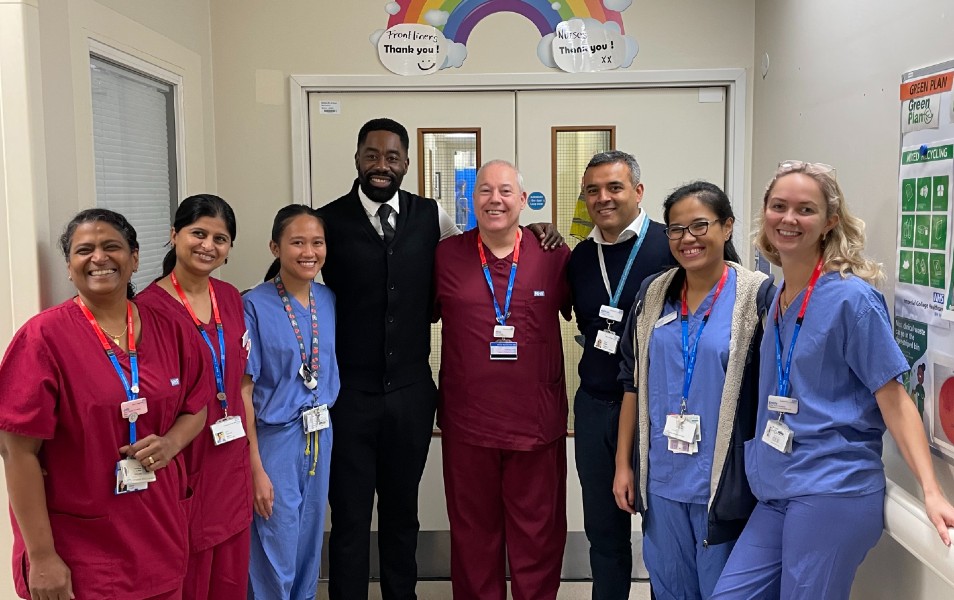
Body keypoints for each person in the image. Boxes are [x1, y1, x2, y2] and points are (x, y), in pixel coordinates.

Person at [319, 117, 562, 600]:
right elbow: (298, 281)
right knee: (348, 515)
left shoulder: (435, 220)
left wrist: (540, 231)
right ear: (357, 159)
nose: (382, 165)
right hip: (353, 393)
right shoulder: (328, 221)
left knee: (402, 514)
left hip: (417, 396)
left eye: (392, 157)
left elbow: (494, 246)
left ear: (407, 163)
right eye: (372, 155)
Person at [710, 161, 954, 599]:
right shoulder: (776, 294)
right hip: (777, 487)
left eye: (805, 209)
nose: (789, 219)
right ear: (765, 213)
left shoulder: (851, 299)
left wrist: (932, 490)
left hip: (830, 489)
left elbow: (894, 400)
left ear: (830, 222)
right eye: (779, 206)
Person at [0, 209, 209, 599]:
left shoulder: (169, 327)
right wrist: (42, 557)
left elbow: (197, 405)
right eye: (84, 250)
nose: (98, 258)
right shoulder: (43, 338)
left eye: (112, 246)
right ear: (68, 267)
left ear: (134, 258)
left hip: (158, 534)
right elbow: (17, 453)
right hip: (82, 550)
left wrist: (171, 443)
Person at [613, 182, 774, 600]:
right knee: (670, 588)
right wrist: (623, 465)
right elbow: (631, 382)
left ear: (727, 227)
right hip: (661, 480)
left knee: (723, 589)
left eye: (699, 225)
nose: (687, 238)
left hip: (723, 483)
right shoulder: (653, 294)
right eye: (675, 229)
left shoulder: (755, 296)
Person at [434, 160, 572, 600]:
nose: (495, 199)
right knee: (474, 536)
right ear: (472, 200)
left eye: (506, 191)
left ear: (522, 199)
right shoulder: (446, 255)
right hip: (468, 424)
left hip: (535, 425)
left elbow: (586, 305)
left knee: (538, 537)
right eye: (485, 191)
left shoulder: (552, 254)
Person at [567, 150, 672, 600]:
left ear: (638, 192)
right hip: (594, 407)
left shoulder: (673, 245)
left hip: (657, 410)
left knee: (664, 531)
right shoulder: (579, 258)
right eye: (593, 190)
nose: (603, 198)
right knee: (603, 534)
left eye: (615, 187)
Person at [136, 195, 252, 599]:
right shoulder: (147, 310)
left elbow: (238, 385)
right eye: (198, 233)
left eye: (220, 238)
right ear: (174, 236)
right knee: (188, 578)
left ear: (229, 249)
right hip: (184, 463)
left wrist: (254, 464)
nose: (208, 245)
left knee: (230, 580)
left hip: (230, 463)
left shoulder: (231, 298)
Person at [241, 204, 339, 599]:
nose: (308, 252)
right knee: (273, 544)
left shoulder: (328, 299)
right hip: (275, 440)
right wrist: (255, 469)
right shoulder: (254, 304)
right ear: (275, 247)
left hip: (319, 434)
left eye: (317, 242)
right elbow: (244, 391)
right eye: (297, 242)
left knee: (307, 546)